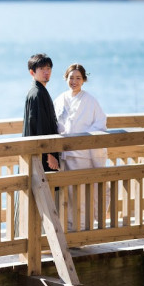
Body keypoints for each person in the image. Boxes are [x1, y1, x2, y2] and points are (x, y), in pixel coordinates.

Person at [54, 63, 107, 230]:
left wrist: (82, 138)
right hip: (64, 154)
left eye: (78, 78)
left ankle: (82, 229)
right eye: (71, 77)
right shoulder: (60, 99)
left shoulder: (90, 101)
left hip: (81, 155)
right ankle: (69, 229)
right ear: (66, 78)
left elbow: (100, 123)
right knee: (66, 195)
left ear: (84, 80)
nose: (74, 81)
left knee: (81, 195)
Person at [23, 53, 60, 172]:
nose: (46, 72)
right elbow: (40, 126)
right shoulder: (37, 93)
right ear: (32, 72)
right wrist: (50, 154)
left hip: (38, 152)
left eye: (48, 68)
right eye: (41, 69)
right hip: (42, 155)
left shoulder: (38, 90)